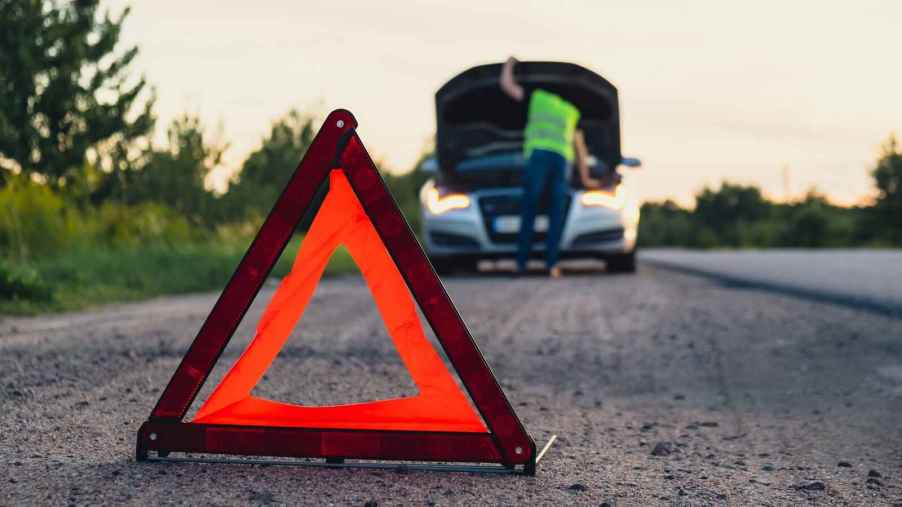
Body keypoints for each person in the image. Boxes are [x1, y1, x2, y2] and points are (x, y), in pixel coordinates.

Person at [500, 56, 599, 278]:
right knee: (556, 212)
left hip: (539, 158)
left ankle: (521, 264)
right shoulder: (570, 110)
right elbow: (580, 149)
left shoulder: (537, 98)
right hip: (561, 162)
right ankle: (551, 264)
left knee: (530, 208)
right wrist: (585, 178)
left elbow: (507, 86)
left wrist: (509, 65)